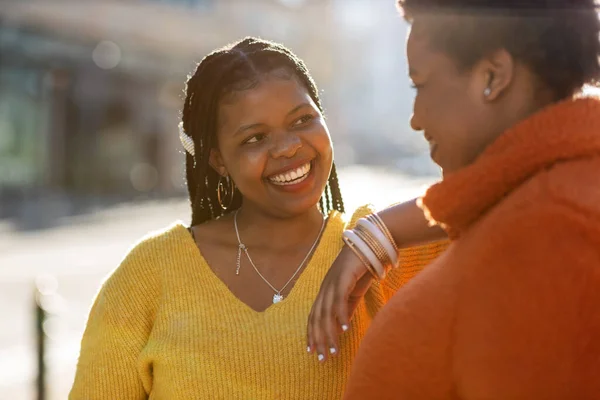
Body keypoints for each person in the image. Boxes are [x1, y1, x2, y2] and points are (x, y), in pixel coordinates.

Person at [69, 37, 449, 400]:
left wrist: (379, 235)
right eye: (254, 138)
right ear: (218, 158)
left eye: (302, 120)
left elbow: (502, 200)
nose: (287, 147)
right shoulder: (147, 277)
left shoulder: (384, 261)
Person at [307, 1, 600, 398]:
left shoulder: (557, 239)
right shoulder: (542, 201)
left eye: (421, 84)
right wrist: (383, 229)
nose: (416, 118)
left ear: (493, 77)